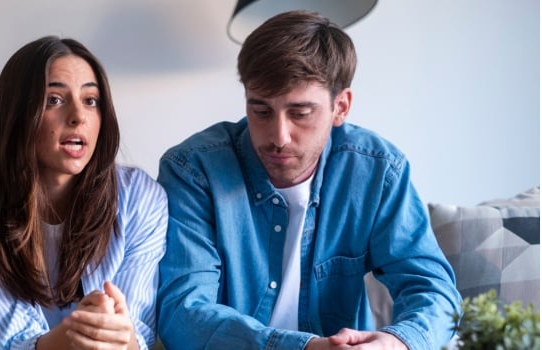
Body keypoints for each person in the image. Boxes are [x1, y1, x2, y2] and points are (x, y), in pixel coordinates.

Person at [156, 10, 461, 350]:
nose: (279, 136)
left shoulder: (376, 172)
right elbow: (182, 314)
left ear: (341, 107)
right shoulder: (193, 171)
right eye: (260, 110)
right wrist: (303, 348)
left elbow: (433, 289)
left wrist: (396, 342)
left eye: (300, 113)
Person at [0, 36, 167, 350]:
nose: (78, 116)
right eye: (54, 99)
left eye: (91, 101)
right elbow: (4, 342)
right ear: (18, 114)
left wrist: (120, 335)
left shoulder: (140, 197)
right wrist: (77, 335)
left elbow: (137, 334)